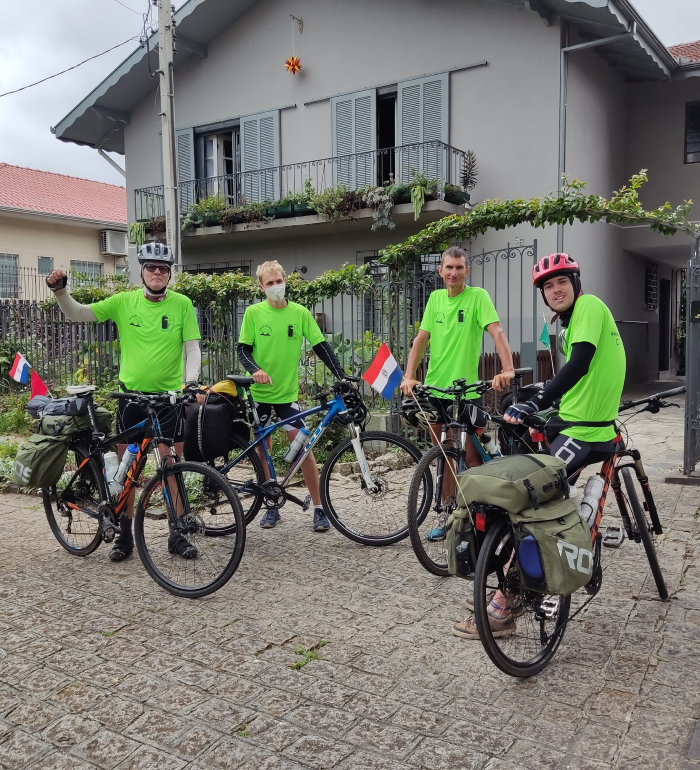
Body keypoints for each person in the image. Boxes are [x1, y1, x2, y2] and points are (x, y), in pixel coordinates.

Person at [452, 252, 626, 640]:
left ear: (576, 283)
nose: (556, 289)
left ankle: (504, 602)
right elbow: (577, 377)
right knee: (529, 492)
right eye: (548, 286)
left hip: (587, 431)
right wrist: (539, 399)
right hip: (574, 423)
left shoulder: (589, 306)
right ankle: (508, 583)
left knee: (534, 498)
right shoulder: (569, 323)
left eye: (562, 281)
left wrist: (538, 401)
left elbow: (580, 364)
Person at [45, 243, 202, 562]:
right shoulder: (123, 302)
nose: (157, 272)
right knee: (128, 471)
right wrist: (60, 292)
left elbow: (192, 348)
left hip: (168, 399)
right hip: (131, 399)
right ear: (141, 271)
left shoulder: (182, 304)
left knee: (171, 467)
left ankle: (177, 534)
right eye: (151, 267)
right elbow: (79, 313)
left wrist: (190, 382)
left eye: (163, 268)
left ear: (169, 274)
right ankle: (125, 535)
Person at [236, 260, 346, 531]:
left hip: (287, 395)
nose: (276, 286)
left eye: (279, 281)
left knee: (303, 448)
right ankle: (270, 505)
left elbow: (321, 346)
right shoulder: (253, 313)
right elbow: (243, 350)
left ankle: (319, 508)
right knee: (263, 449)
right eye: (270, 283)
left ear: (285, 281)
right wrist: (256, 370)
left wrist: (341, 375)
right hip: (259, 395)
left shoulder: (299, 313)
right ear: (261, 287)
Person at [400, 246, 516, 479]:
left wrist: (508, 369)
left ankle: (476, 500)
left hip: (467, 391)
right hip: (436, 389)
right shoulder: (435, 298)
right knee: (443, 455)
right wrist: (409, 376)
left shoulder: (478, 296)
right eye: (449, 267)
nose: (454, 273)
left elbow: (497, 332)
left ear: (467, 270)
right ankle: (448, 501)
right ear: (440, 271)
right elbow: (421, 339)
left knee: (473, 457)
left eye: (459, 267)